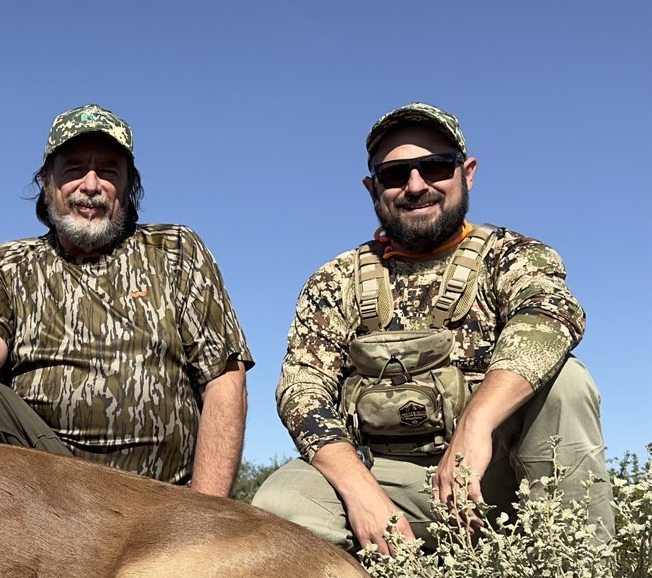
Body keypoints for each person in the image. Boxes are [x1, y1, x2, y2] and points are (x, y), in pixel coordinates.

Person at [252, 102, 614, 553]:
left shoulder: (512, 255)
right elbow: (301, 388)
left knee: (566, 381)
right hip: (384, 477)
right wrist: (361, 490)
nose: (416, 186)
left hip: (497, 476)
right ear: (372, 187)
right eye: (394, 174)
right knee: (279, 505)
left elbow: (551, 312)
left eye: (436, 167)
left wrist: (476, 425)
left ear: (468, 172)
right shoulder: (335, 281)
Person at [0, 104, 252, 495]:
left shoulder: (177, 250)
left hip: (162, 498)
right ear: (46, 181)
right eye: (73, 169)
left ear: (128, 185)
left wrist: (204, 515)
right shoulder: (8, 262)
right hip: (48, 490)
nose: (90, 184)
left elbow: (224, 378)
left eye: (108, 170)